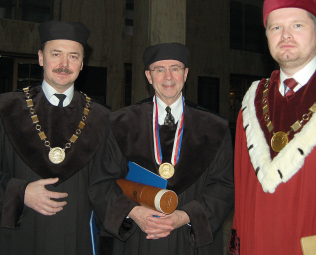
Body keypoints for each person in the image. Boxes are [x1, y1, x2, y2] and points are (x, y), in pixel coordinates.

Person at [229, 0, 316, 255]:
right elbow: (243, 192)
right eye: (276, 28)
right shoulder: (251, 103)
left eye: (297, 25)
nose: (285, 35)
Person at [89, 43, 234, 254]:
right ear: (148, 76)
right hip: (137, 238)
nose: (168, 77)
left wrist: (184, 217)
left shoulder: (214, 128)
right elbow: (101, 184)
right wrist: (134, 213)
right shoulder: (121, 123)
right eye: (159, 69)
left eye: (175, 68)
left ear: (185, 74)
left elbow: (224, 187)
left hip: (189, 239)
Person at [0, 21, 110, 254]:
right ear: (41, 58)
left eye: (73, 56)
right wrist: (19, 192)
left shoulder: (102, 118)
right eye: (56, 54)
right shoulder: (6, 109)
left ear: (82, 63)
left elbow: (108, 185)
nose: (64, 64)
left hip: (76, 237)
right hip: (18, 235)